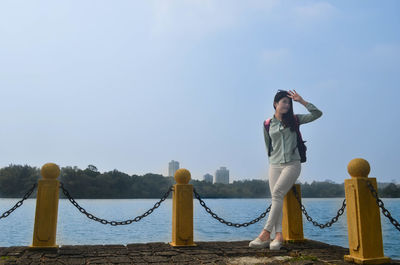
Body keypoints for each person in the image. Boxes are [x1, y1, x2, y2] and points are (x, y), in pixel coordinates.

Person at [249, 89, 322, 250]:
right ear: (276, 104)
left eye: (288, 103)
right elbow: (268, 145)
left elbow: (317, 113)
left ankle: (265, 233)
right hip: (274, 165)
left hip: (292, 164)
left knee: (277, 194)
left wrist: (301, 101)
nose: (287, 105)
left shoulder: (295, 120)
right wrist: (272, 162)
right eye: (284, 102)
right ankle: (278, 236)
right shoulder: (267, 124)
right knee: (277, 198)